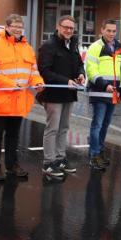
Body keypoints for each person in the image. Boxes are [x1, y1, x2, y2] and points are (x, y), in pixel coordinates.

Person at [0, 14, 45, 182]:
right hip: (0, 101)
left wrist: (38, 82)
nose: (17, 29)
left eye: (20, 27)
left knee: (13, 135)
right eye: (14, 26)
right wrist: (10, 84)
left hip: (18, 101)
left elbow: (33, 71)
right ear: (7, 27)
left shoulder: (27, 48)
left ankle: (12, 165)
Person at [37, 15, 85, 179]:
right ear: (58, 27)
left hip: (69, 94)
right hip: (53, 94)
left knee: (64, 128)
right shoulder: (48, 46)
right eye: (65, 27)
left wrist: (80, 74)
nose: (68, 30)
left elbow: (79, 64)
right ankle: (48, 162)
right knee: (53, 128)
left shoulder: (73, 45)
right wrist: (66, 81)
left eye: (71, 28)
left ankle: (60, 158)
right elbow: (44, 71)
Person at [85, 19, 121, 170]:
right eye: (108, 30)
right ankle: (94, 155)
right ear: (102, 30)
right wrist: (104, 84)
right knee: (97, 124)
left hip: (113, 93)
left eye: (114, 31)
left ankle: (100, 151)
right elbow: (91, 70)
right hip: (99, 91)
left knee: (105, 124)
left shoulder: (120, 47)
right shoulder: (95, 47)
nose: (111, 33)